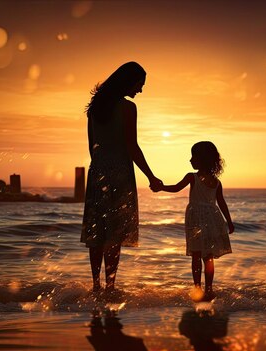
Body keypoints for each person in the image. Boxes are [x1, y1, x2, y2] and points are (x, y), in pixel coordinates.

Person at [81, 62, 163, 294]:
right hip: (119, 173)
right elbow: (132, 147)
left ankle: (96, 286)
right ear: (128, 81)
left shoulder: (95, 108)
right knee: (114, 234)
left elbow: (92, 146)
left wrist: (99, 168)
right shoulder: (128, 108)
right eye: (139, 84)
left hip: (97, 171)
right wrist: (151, 176)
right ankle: (110, 287)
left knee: (97, 232)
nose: (140, 89)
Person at [152, 141, 234, 301]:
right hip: (212, 218)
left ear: (200, 159)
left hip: (196, 218)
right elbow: (221, 203)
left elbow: (176, 188)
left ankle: (198, 289)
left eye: (193, 156)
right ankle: (209, 290)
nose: (190, 160)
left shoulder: (192, 177)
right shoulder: (216, 181)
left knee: (196, 255)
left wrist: (161, 187)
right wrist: (229, 222)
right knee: (208, 257)